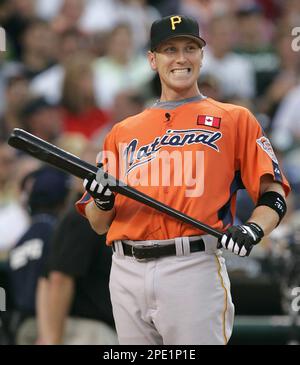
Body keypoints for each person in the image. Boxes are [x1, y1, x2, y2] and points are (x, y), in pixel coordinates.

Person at [77, 15, 290, 345]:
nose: (181, 58)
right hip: (126, 269)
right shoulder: (122, 132)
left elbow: (273, 193)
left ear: (202, 56)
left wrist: (252, 228)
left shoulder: (234, 119)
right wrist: (103, 200)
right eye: (169, 49)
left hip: (192, 266)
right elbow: (98, 222)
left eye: (190, 48)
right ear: (152, 59)